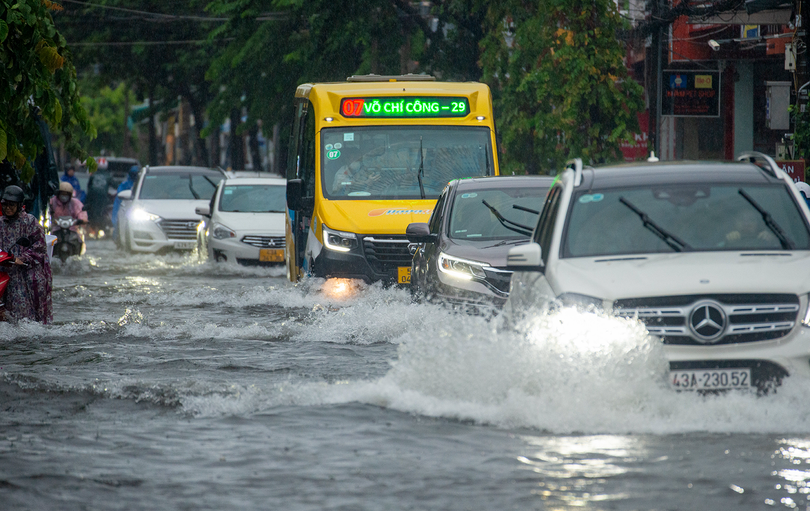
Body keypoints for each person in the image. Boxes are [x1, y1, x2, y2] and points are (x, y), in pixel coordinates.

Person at [0, 185, 52, 324]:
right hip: (5, 273)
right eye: (5, 204)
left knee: (26, 319)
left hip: (26, 274)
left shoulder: (30, 222)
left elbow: (40, 246)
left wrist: (22, 258)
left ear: (19, 205)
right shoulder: (0, 223)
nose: (8, 208)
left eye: (11, 205)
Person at [111, 165, 139, 242]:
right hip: (124, 208)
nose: (134, 176)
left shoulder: (140, 184)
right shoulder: (124, 185)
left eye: (136, 174)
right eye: (133, 174)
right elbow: (119, 198)